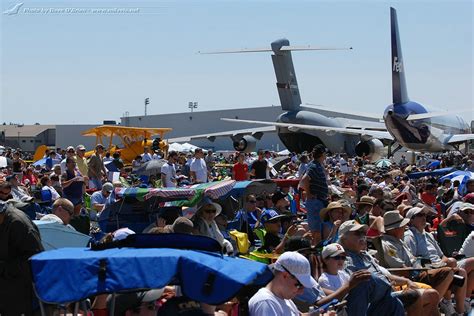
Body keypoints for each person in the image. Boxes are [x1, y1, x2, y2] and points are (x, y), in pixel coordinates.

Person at [0, 199, 44, 316]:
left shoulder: (18, 223)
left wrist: (4, 268)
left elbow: (34, 259)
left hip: (19, 292)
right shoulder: (5, 219)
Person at [248, 251, 317, 316]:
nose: (301, 292)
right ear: (285, 275)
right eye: (299, 285)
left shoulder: (285, 299)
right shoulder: (265, 302)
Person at [299, 144, 329, 245]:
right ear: (322, 154)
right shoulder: (313, 165)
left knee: (318, 231)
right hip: (315, 202)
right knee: (316, 233)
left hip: (318, 201)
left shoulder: (317, 165)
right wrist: (309, 193)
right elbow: (304, 180)